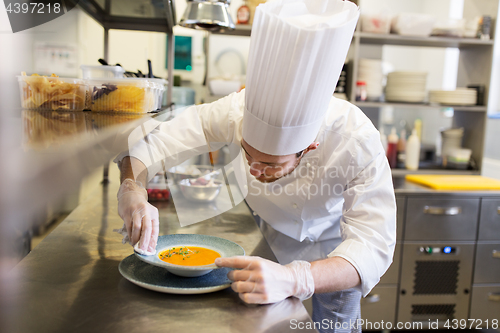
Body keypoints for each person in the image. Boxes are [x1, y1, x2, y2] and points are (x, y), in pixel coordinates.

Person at [115, 0, 396, 331]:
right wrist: (132, 188)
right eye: (249, 154)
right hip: (272, 234)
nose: (255, 170)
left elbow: (373, 245)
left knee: (337, 326)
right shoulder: (235, 111)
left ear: (310, 147)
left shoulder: (357, 139)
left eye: (270, 164)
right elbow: (153, 142)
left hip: (338, 248)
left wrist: (297, 277)